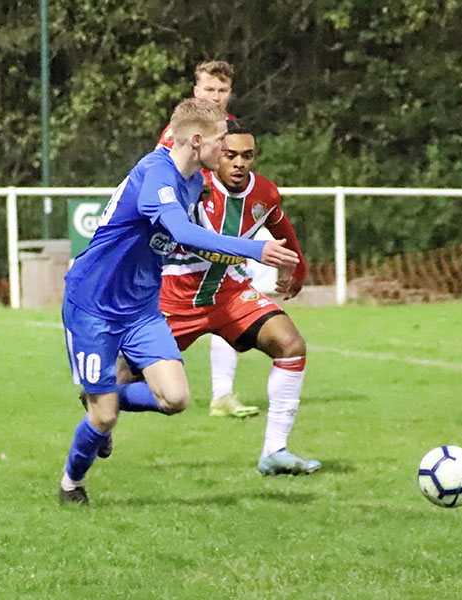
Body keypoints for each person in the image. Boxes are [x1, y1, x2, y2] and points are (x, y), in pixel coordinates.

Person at [58, 98, 299, 505]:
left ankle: (100, 394)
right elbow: (181, 233)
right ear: (198, 141)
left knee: (175, 399)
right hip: (93, 306)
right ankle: (71, 484)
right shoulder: (156, 176)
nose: (226, 149)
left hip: (141, 308)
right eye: (221, 140)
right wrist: (255, 249)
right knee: (104, 417)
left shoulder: (191, 181)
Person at [159, 120, 319, 476]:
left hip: (231, 294)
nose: (239, 163)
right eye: (230, 155)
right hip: (176, 299)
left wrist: (296, 268)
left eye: (247, 156)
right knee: (125, 376)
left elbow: (281, 227)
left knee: (291, 345)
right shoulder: (191, 184)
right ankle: (100, 423)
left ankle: (275, 451)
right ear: (215, 153)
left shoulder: (264, 193)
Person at [156, 59, 260, 419]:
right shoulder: (178, 131)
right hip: (186, 237)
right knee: (173, 317)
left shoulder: (231, 128)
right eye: (209, 89)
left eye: (222, 90)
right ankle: (114, 382)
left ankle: (222, 394)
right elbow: (164, 170)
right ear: (196, 91)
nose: (216, 96)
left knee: (225, 305)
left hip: (221, 227)